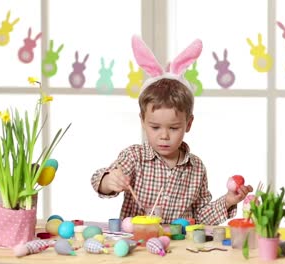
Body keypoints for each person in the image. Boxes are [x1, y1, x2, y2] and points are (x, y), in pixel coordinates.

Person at [90, 36, 253, 225]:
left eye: (174, 128)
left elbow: (201, 217)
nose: (164, 135)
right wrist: (109, 181)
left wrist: (227, 201)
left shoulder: (196, 168)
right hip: (138, 247)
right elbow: (98, 181)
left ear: (188, 124)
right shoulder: (135, 157)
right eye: (155, 127)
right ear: (143, 121)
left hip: (180, 250)